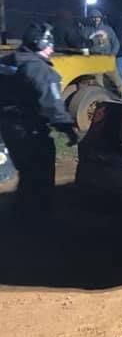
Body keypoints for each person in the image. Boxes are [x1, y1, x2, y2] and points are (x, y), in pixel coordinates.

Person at [0, 23, 78, 218]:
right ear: (40, 43)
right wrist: (67, 128)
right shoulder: (41, 71)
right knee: (40, 170)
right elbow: (52, 104)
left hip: (8, 127)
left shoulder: (7, 61)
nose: (52, 49)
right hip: (29, 129)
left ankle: (22, 210)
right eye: (49, 44)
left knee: (26, 170)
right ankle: (39, 216)